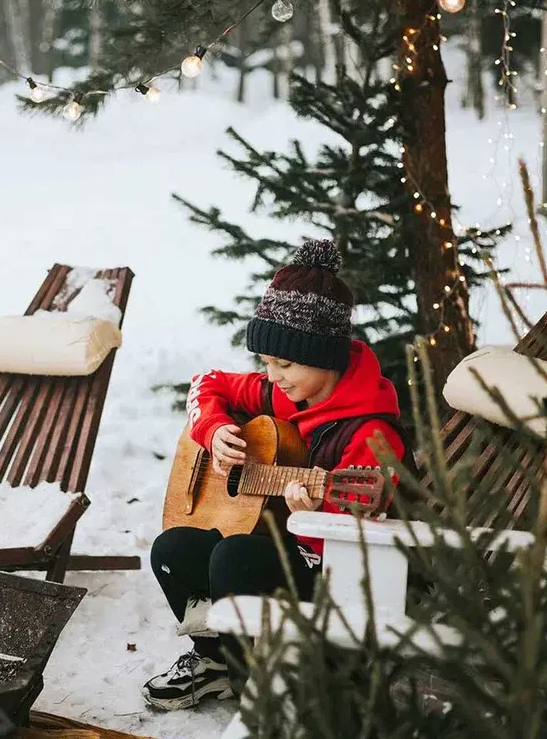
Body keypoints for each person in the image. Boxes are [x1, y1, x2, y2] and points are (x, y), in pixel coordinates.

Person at [142, 238, 410, 712]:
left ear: (325, 357)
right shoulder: (281, 393)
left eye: (284, 363)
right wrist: (214, 428)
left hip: (336, 572)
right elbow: (206, 382)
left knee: (233, 557)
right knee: (171, 548)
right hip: (286, 544)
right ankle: (216, 661)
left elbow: (364, 538)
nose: (273, 375)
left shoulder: (371, 432)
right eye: (266, 363)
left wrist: (310, 519)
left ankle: (261, 689)